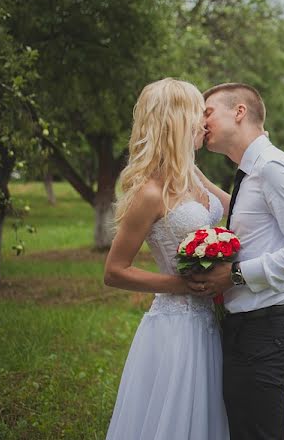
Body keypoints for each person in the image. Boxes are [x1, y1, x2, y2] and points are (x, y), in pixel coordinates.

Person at [191, 82, 284, 440]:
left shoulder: (271, 166)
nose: (202, 123)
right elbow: (250, 228)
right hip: (244, 329)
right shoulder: (249, 171)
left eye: (207, 112)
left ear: (239, 112)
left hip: (264, 331)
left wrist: (234, 275)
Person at [104, 78, 229, 440]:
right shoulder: (150, 193)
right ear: (175, 121)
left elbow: (238, 209)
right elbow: (114, 271)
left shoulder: (194, 177)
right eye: (198, 114)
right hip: (176, 327)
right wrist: (180, 284)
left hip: (212, 323)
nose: (205, 123)